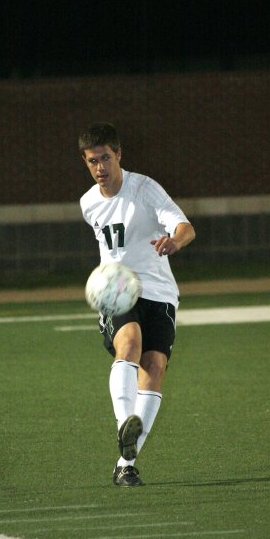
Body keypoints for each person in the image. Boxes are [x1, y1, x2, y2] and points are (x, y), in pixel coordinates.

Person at [78, 122, 196, 486]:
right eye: (92, 160)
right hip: (118, 291)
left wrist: (175, 242)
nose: (100, 167)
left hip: (159, 292)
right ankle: (123, 423)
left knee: (154, 366)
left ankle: (126, 462)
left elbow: (185, 226)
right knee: (128, 343)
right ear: (85, 162)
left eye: (105, 158)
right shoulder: (88, 204)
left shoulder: (144, 189)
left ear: (119, 155)